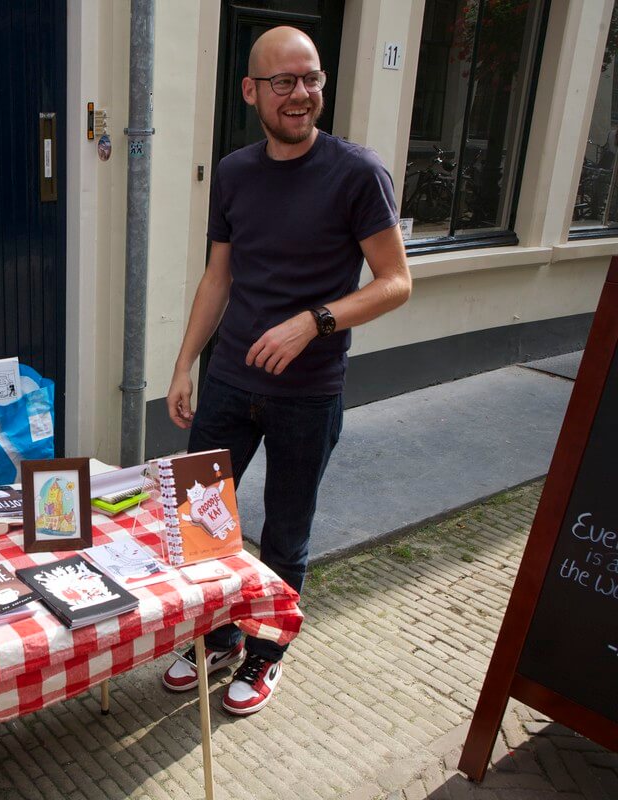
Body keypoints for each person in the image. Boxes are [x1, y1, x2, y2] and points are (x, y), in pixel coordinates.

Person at [160, 26, 412, 715]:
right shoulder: (235, 172)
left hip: (309, 391)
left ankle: (266, 654)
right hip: (228, 383)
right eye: (284, 82)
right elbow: (219, 278)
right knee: (199, 525)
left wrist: (315, 321)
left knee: (286, 532)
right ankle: (214, 637)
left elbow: (395, 282)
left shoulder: (357, 173)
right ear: (251, 91)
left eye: (312, 79)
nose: (301, 94)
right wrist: (183, 365)